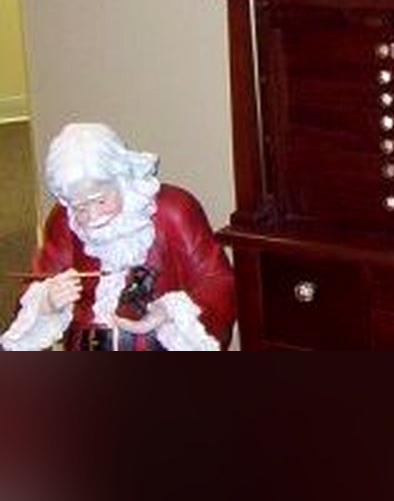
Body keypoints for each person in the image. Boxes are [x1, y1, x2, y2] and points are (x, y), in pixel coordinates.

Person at [1, 123, 236, 352]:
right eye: (80, 207)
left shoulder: (173, 211)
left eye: (101, 201)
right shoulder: (64, 220)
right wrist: (47, 301)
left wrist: (169, 311)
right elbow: (36, 282)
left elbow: (217, 282)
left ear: (121, 179)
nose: (92, 217)